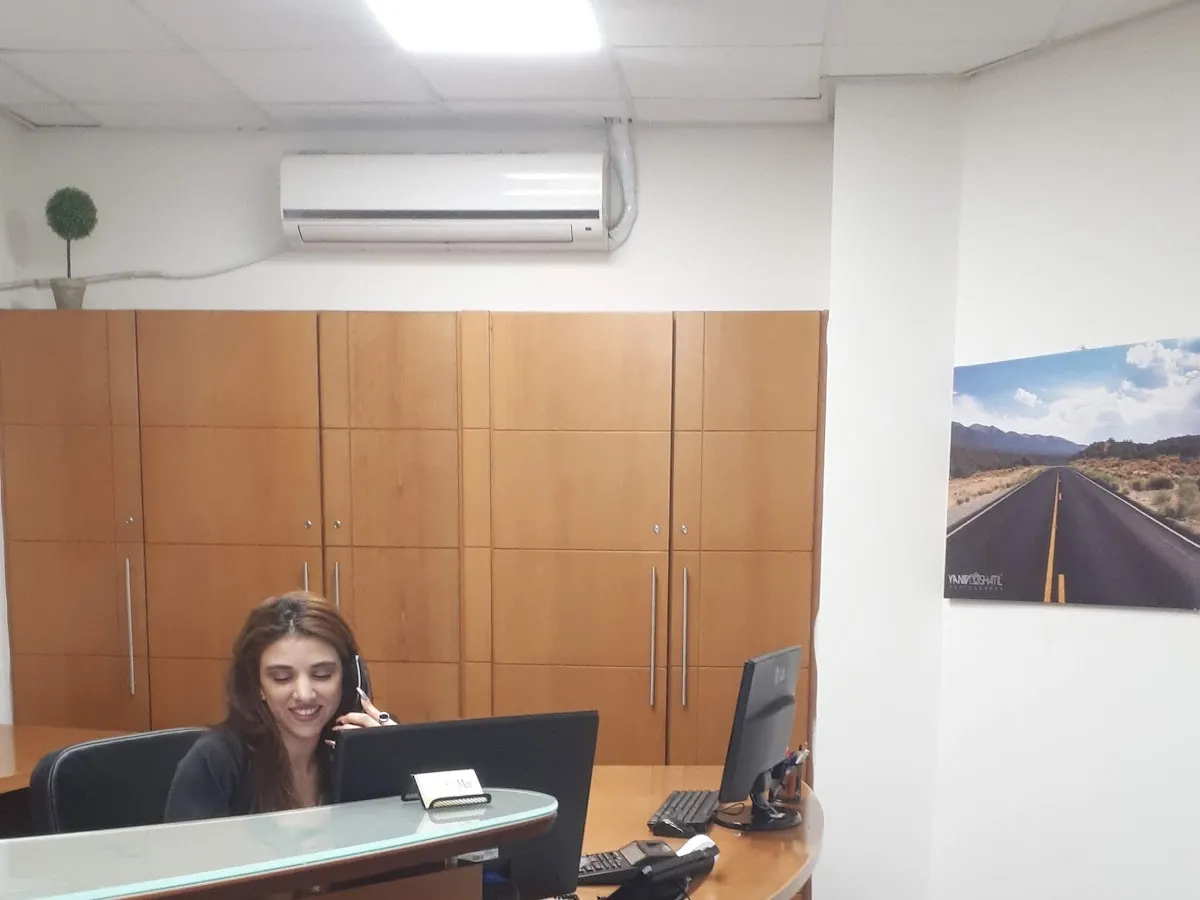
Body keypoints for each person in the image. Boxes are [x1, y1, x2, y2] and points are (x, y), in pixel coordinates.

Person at [164, 591, 395, 821]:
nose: (304, 694)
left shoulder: (359, 752)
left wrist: (398, 761)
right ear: (257, 685)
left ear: (348, 678)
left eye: (322, 675)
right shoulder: (215, 761)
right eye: (282, 678)